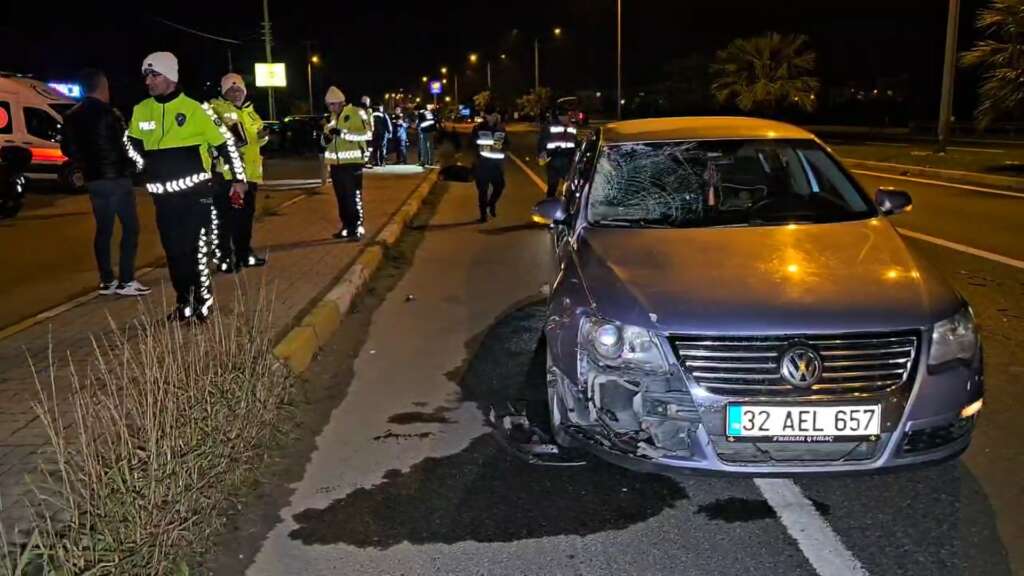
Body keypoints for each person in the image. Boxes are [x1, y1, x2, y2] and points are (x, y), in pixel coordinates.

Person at [127, 52, 247, 322]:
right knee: (174, 252)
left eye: (155, 75)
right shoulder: (141, 110)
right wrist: (140, 165)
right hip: (163, 197)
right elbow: (131, 144)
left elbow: (225, 144)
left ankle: (202, 304)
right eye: (146, 75)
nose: (149, 81)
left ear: (171, 77)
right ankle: (184, 303)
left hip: (195, 196)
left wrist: (238, 180)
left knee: (195, 252)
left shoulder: (196, 110)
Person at [61, 68, 150, 297]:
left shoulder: (72, 115)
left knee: (104, 230)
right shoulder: (110, 114)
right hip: (116, 179)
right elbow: (125, 145)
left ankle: (107, 280)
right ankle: (127, 280)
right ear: (103, 87)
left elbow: (67, 149)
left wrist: (85, 163)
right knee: (130, 228)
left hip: (94, 180)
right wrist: (135, 167)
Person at [209, 73, 267, 272]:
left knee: (245, 218)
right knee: (225, 219)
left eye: (239, 89)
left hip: (249, 175)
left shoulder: (250, 112)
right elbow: (215, 138)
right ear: (224, 92)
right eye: (230, 90)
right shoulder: (216, 109)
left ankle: (244, 254)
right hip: (227, 176)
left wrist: (262, 137)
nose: (235, 93)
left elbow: (256, 139)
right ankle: (225, 258)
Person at [321, 86, 371, 241]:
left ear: (340, 102)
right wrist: (326, 139)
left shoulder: (355, 113)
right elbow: (324, 141)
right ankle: (346, 227)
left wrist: (343, 134)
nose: (330, 108)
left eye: (332, 104)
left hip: (352, 163)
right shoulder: (331, 119)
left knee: (353, 196)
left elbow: (367, 134)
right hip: (336, 164)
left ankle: (357, 227)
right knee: (341, 198)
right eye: (328, 105)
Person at [471, 105, 509, 223]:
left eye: (495, 115)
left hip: (496, 165)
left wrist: (503, 148)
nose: (493, 117)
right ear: (486, 116)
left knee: (500, 186)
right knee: (482, 191)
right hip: (482, 164)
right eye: (491, 115)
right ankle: (483, 216)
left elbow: (507, 144)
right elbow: (472, 144)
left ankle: (491, 204)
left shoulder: (501, 128)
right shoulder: (478, 128)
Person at [537, 103, 578, 198]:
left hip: (568, 161)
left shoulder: (572, 128)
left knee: (570, 187)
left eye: (568, 115)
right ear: (560, 116)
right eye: (565, 115)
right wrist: (542, 155)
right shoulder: (550, 127)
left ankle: (567, 205)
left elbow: (576, 143)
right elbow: (541, 143)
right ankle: (549, 204)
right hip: (554, 160)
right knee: (553, 186)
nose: (567, 118)